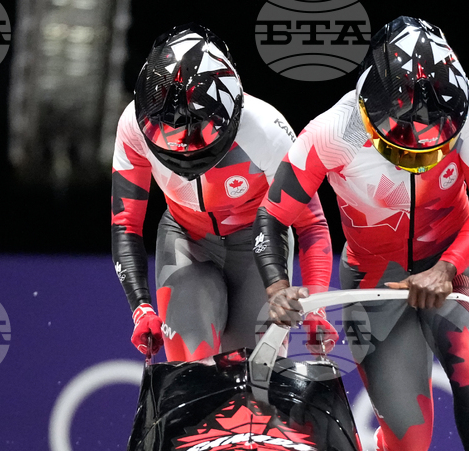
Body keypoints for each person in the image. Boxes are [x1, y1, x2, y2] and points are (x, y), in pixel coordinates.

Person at [253, 16, 469, 451]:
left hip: (458, 257)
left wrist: (449, 266)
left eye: (432, 141)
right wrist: (277, 285)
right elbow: (273, 216)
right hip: (376, 277)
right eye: (406, 141)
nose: (419, 148)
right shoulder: (331, 132)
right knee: (410, 433)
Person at [111, 23, 337, 361]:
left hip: (259, 246)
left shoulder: (266, 131)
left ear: (226, 114)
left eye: (195, 134)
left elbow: (311, 224)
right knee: (192, 375)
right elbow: (125, 223)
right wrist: (140, 307)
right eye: (168, 135)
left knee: (252, 393)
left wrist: (317, 308)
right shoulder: (132, 125)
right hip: (185, 239)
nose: (182, 150)